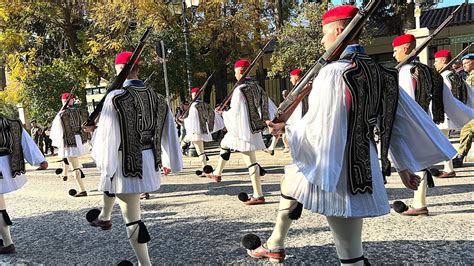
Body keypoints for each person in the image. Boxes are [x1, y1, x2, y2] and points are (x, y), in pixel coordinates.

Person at [245, 5, 456, 264]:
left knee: (350, 256)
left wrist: (285, 129)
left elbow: (321, 128)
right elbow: (395, 122)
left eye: (324, 34)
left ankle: (281, 245)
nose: (323, 40)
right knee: (290, 183)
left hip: (338, 167)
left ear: (337, 31)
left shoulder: (333, 73)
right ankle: (275, 244)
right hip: (362, 161)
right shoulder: (383, 74)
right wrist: (402, 165)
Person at [83, 51, 182, 265]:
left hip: (125, 163)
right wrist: (170, 161)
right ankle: (105, 216)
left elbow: (107, 137)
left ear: (118, 69)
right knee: (121, 198)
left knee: (132, 217)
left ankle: (144, 264)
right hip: (149, 161)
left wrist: (93, 133)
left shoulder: (116, 97)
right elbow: (169, 131)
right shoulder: (157, 97)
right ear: (139, 67)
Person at [206, 59, 276, 205]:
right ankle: (217, 173)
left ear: (239, 72)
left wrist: (223, 114)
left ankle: (258, 195)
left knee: (251, 161)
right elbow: (266, 106)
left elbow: (237, 113)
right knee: (225, 143)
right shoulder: (256, 87)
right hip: (254, 127)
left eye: (237, 71)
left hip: (243, 129)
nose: (236, 74)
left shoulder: (240, 89)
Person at [391, 34, 445, 216]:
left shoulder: (406, 71)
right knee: (417, 159)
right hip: (424, 118)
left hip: (410, 121)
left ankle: (419, 204)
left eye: (396, 50)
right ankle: (418, 201)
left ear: (406, 49)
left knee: (415, 161)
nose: (393, 55)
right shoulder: (425, 69)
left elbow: (406, 100)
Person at [0, 115, 48, 254]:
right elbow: (26, 141)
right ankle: (6, 242)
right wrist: (39, 160)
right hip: (9, 167)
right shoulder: (13, 123)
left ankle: (8, 243)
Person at [433, 50, 474, 177]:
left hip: (445, 114)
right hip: (452, 113)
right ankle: (448, 167)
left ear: (444, 61)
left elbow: (444, 97)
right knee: (443, 140)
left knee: (442, 141)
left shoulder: (444, 76)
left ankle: (449, 169)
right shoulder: (454, 75)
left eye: (436, 61)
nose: (434, 64)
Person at [50, 93, 89, 197]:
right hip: (80, 140)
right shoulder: (81, 111)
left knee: (74, 166)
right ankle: (64, 173)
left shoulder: (62, 114)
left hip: (69, 142)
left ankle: (82, 190)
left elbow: (57, 132)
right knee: (69, 159)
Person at [181, 87, 224, 175]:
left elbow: (191, 121)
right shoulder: (205, 104)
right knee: (201, 151)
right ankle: (204, 167)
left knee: (200, 152)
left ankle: (205, 169)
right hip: (203, 130)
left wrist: (183, 120)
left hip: (196, 131)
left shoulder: (193, 106)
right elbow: (211, 115)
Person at [453, 53, 474, 167]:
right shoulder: (469, 75)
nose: (464, 65)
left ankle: (460, 157)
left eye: (467, 62)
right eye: (463, 63)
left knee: (467, 129)